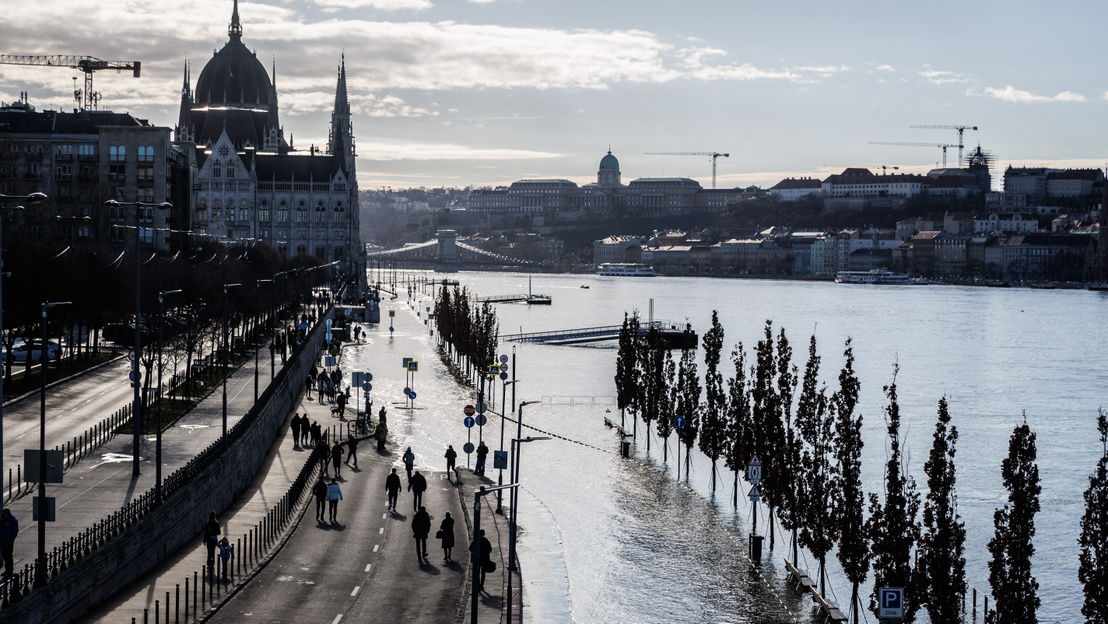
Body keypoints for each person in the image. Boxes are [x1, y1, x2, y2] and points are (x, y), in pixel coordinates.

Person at [0, 508, 17, 577]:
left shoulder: (12, 521)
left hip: (8, 541)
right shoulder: (2, 520)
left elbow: (15, 531)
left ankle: (10, 571)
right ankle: (7, 570)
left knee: (9, 556)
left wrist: (10, 539)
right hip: (2, 541)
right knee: (4, 556)